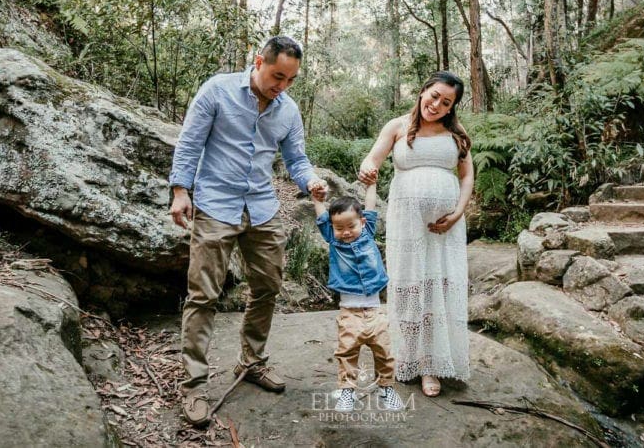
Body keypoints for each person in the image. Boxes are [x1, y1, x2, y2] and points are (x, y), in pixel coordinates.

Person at [168, 35, 328, 428]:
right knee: (203, 294)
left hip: (261, 207)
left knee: (268, 286)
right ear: (258, 62)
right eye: (277, 76)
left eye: (291, 80)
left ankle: (252, 360)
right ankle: (193, 386)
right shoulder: (217, 91)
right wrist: (179, 191)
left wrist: (311, 181)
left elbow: (296, 159)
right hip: (215, 204)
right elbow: (189, 144)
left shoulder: (287, 110)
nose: (282, 87)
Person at [357, 71, 474, 398]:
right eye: (434, 96)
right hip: (406, 223)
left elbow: (466, 177)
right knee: (409, 286)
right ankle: (408, 357)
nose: (436, 105)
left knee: (439, 286)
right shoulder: (396, 126)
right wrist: (368, 167)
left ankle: (431, 365)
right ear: (423, 92)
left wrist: (458, 212)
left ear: (452, 108)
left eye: (446, 102)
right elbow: (373, 157)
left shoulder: (456, 134)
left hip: (444, 227)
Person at [311, 182, 405, 412]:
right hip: (349, 312)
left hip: (375, 310)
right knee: (347, 352)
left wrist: (372, 184)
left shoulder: (368, 232)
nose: (345, 232)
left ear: (362, 223)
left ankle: (386, 388)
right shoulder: (334, 241)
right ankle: (347, 391)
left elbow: (370, 205)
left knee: (384, 351)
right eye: (339, 227)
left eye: (351, 226)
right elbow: (323, 218)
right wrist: (316, 199)